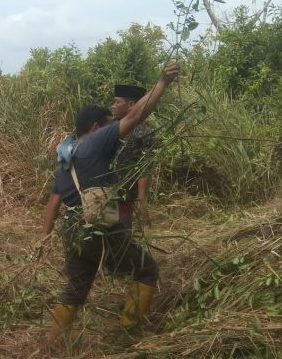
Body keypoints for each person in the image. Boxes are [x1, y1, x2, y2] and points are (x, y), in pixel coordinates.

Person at [40, 63, 180, 336]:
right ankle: (128, 335)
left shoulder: (66, 158)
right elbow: (136, 116)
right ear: (96, 127)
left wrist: (43, 240)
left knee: (75, 286)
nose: (112, 128)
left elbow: (53, 202)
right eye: (107, 125)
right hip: (102, 221)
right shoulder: (97, 141)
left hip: (71, 227)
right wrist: (162, 82)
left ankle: (54, 342)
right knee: (146, 270)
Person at [112, 84, 156, 227]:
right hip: (103, 191)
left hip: (126, 194)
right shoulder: (109, 127)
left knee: (122, 232)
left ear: (131, 105)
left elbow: (145, 168)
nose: (114, 106)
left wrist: (141, 202)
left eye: (117, 102)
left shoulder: (145, 132)